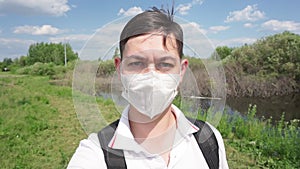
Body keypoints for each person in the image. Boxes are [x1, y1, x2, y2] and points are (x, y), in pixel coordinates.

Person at [67, 7, 229, 169]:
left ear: (181, 71)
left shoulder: (209, 139)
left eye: (165, 64)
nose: (151, 77)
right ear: (120, 69)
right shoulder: (95, 154)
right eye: (137, 63)